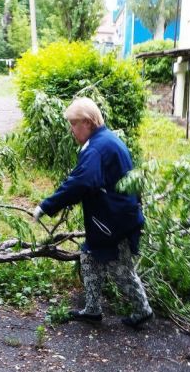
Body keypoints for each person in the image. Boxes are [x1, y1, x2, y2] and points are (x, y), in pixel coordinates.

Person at [33, 97, 153, 330]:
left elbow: (81, 182)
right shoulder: (106, 140)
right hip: (117, 215)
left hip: (114, 220)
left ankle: (143, 310)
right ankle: (93, 309)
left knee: (119, 269)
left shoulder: (97, 147)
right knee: (89, 256)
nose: (71, 130)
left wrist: (46, 206)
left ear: (87, 123)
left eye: (74, 124)